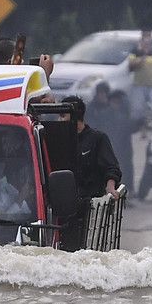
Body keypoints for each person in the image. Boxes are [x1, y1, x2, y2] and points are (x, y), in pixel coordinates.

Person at [59, 95, 121, 251]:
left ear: (75, 117)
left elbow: (111, 168)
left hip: (90, 208)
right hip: (63, 208)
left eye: (62, 116)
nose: (59, 120)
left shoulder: (97, 139)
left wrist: (110, 187)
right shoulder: (57, 139)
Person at [88, 81, 135, 190]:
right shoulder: (92, 108)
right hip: (102, 142)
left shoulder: (116, 107)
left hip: (120, 143)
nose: (102, 96)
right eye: (100, 93)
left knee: (125, 166)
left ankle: (128, 189)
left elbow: (127, 124)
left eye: (104, 93)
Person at [127, 29, 152, 125]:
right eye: (145, 37)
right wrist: (143, 54)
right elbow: (131, 65)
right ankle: (137, 128)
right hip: (138, 85)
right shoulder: (136, 50)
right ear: (142, 38)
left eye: (149, 37)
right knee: (137, 110)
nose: (147, 39)